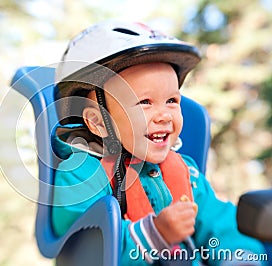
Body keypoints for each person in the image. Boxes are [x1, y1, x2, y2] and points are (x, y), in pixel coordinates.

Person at [51, 20, 267, 265]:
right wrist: (156, 233)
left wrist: (238, 257)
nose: (164, 115)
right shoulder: (82, 176)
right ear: (98, 122)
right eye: (145, 102)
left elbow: (220, 228)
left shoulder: (187, 174)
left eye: (172, 101)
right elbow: (82, 248)